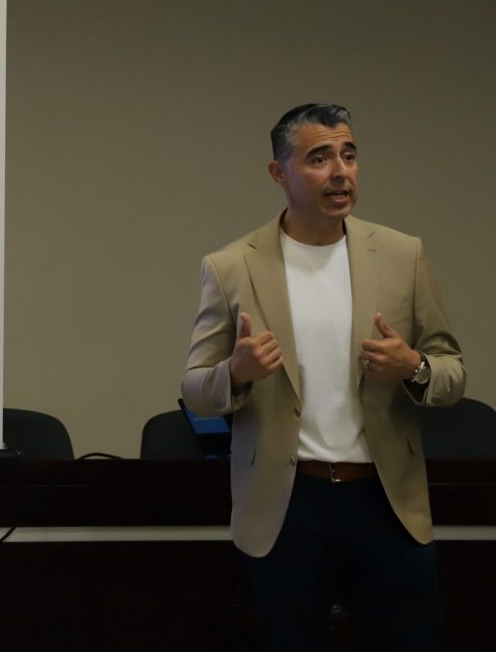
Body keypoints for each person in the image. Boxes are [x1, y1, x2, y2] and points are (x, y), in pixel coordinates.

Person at [181, 103, 464, 651]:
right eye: (319, 158)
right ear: (279, 172)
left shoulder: (403, 254)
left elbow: (452, 371)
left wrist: (414, 367)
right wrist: (235, 373)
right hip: (287, 505)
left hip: (385, 500)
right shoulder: (232, 265)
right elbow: (195, 387)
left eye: (349, 155)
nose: (341, 171)